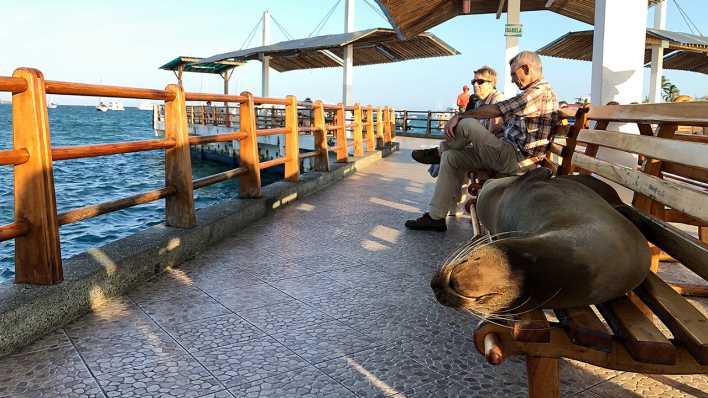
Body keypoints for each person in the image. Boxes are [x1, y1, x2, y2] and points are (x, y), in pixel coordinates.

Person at [406, 51, 559, 231]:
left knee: (467, 124)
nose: (511, 80)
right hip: (508, 154)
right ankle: (436, 217)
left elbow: (499, 109)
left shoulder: (539, 91)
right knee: (451, 157)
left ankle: (438, 152)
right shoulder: (533, 93)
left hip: (518, 159)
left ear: (525, 68)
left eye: (513, 74)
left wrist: (460, 116)